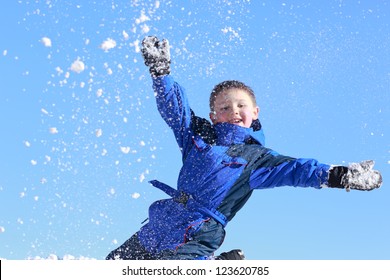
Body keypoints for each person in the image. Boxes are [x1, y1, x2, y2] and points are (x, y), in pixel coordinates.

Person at [106, 36, 382, 260]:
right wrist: (161, 74)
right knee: (114, 264)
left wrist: (341, 175)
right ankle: (221, 265)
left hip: (200, 229)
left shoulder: (256, 158)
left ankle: (215, 267)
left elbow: (298, 170)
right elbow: (174, 109)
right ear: (214, 116)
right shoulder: (198, 136)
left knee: (172, 272)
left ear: (255, 112)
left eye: (241, 106)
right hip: (163, 221)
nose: (234, 111)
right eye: (224, 108)